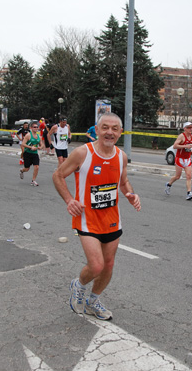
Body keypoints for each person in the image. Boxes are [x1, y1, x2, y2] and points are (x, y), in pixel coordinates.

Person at [52, 112, 141, 320]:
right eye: (105, 128)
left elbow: (123, 181)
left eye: (114, 129)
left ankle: (93, 301)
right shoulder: (83, 153)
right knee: (97, 265)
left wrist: (130, 194)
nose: (109, 132)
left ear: (120, 133)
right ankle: (79, 285)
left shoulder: (121, 156)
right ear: (97, 130)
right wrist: (69, 200)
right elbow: (58, 175)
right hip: (86, 218)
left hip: (112, 218)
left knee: (108, 264)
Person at [164, 122, 192, 200]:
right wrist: (185, 146)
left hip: (187, 159)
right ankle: (168, 184)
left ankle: (189, 193)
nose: (190, 129)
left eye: (191, 127)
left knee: (189, 176)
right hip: (180, 159)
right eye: (189, 127)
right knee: (177, 176)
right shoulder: (181, 136)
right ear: (184, 128)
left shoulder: (191, 136)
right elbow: (175, 146)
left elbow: (189, 147)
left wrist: (190, 151)